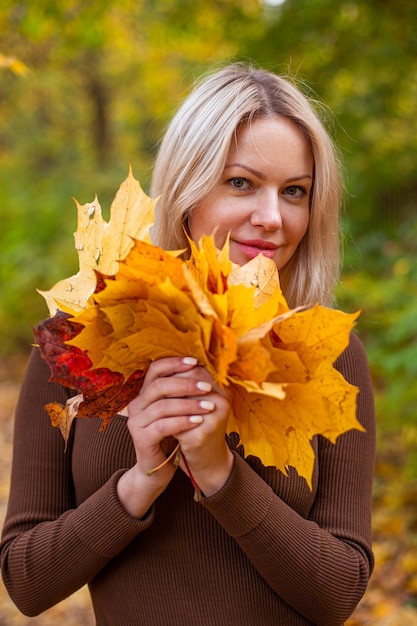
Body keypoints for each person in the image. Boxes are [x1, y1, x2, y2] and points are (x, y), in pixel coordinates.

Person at [1, 63, 375, 626]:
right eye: (241, 182)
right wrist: (139, 481)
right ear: (185, 189)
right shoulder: (79, 343)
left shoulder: (326, 355)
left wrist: (220, 473)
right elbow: (27, 583)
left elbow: (340, 592)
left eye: (294, 192)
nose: (273, 218)